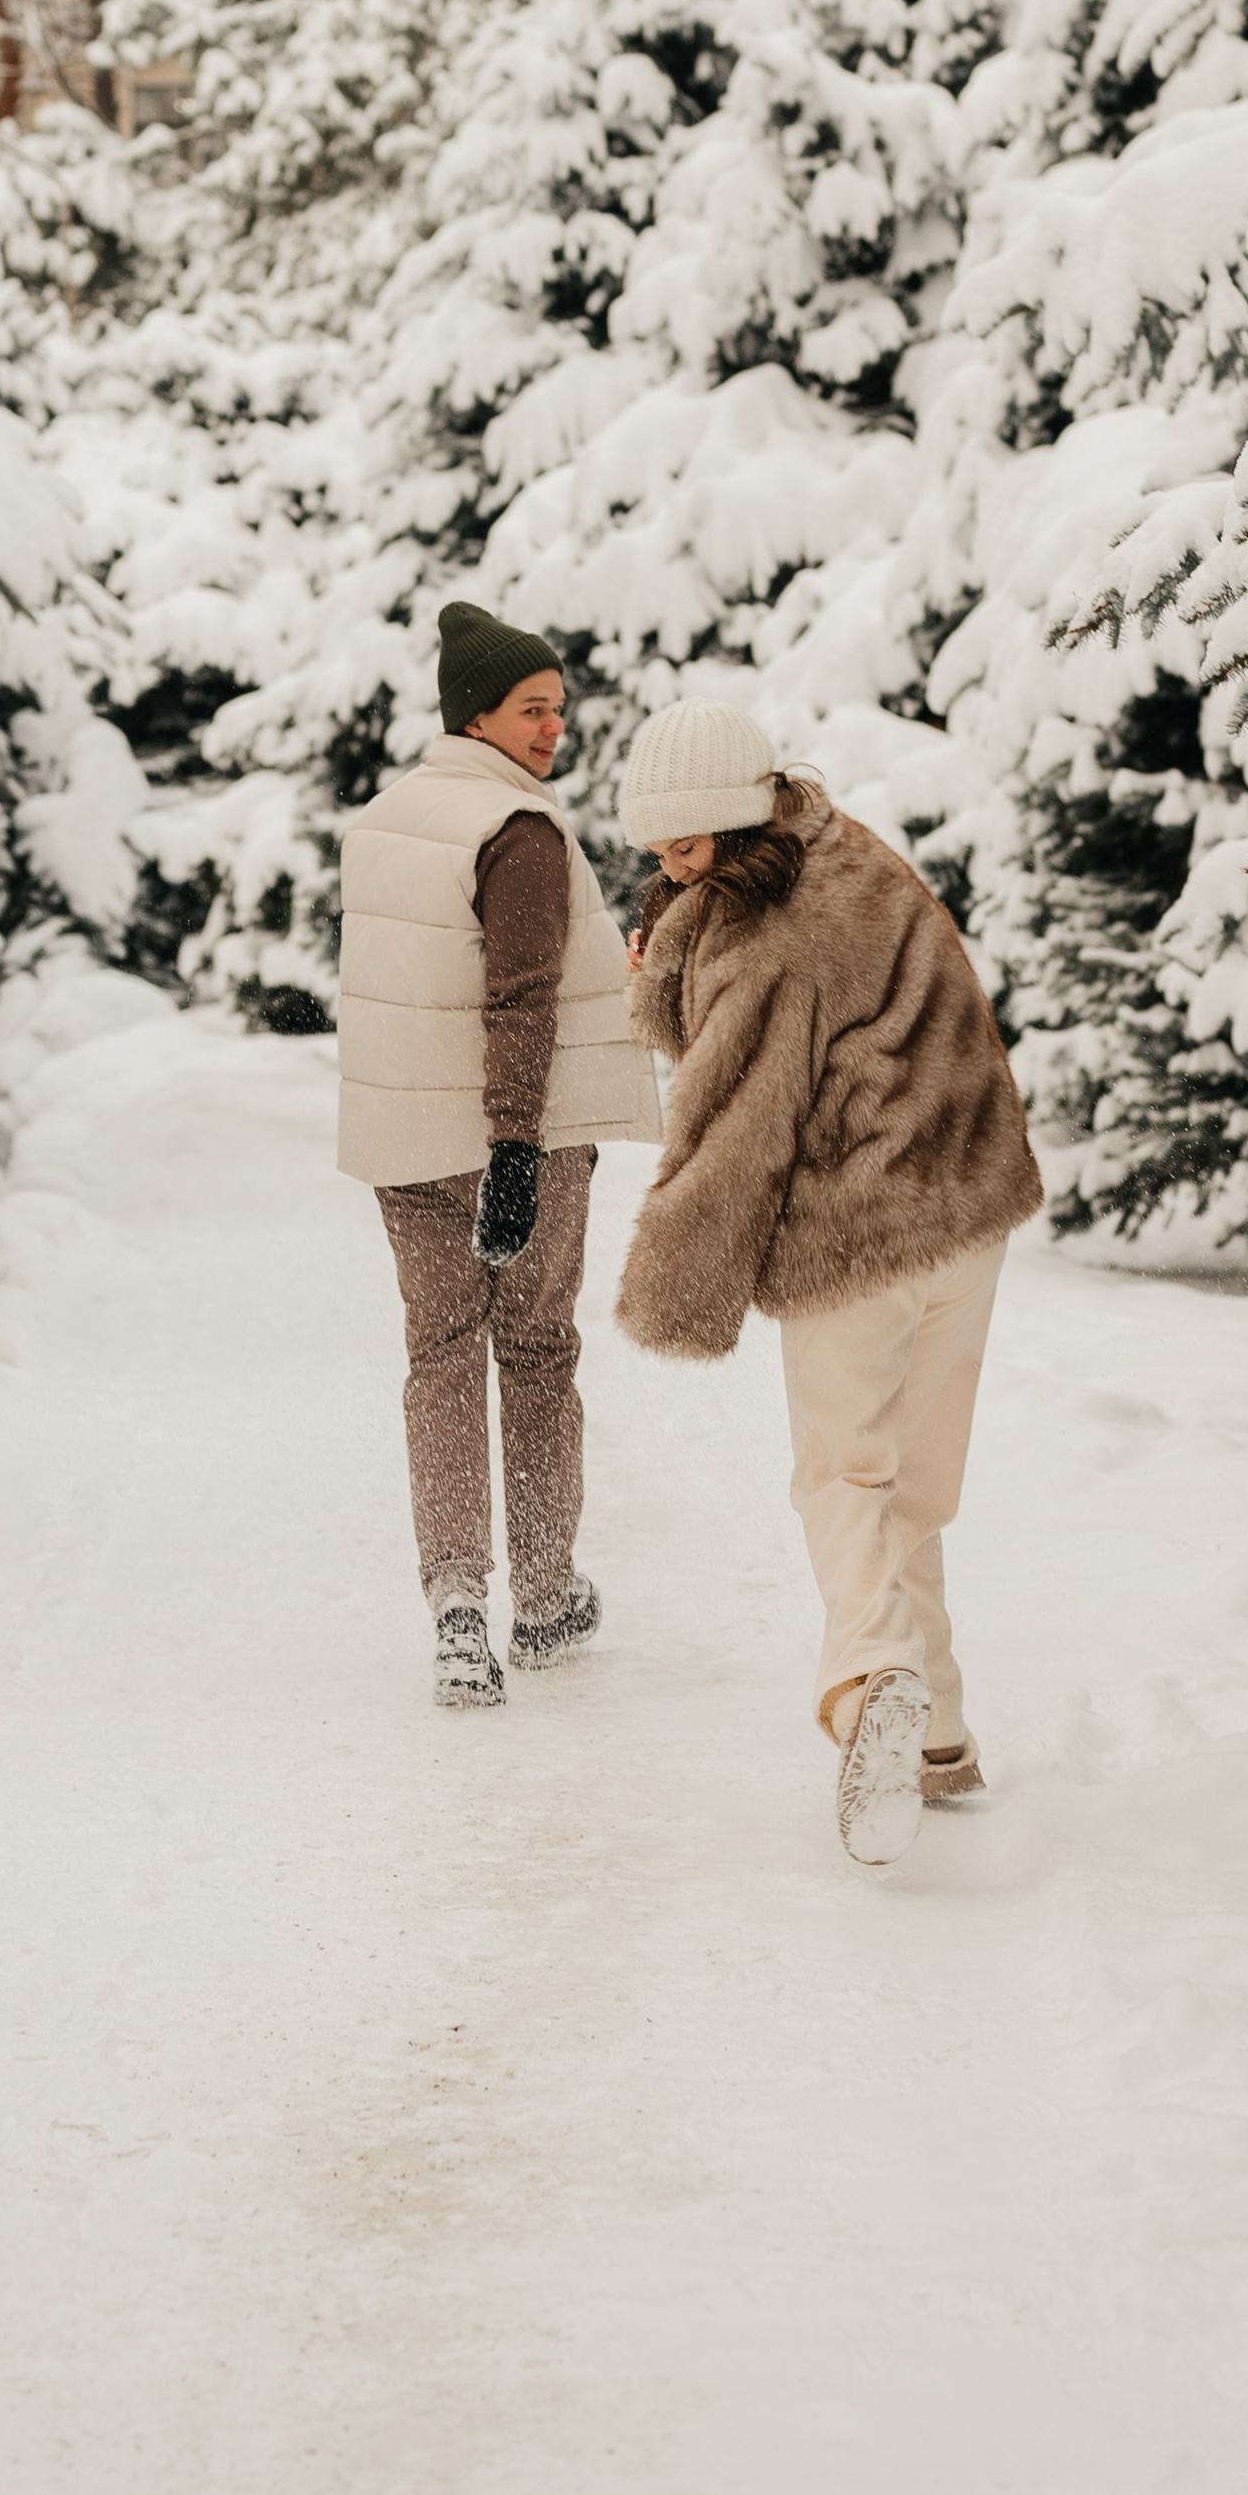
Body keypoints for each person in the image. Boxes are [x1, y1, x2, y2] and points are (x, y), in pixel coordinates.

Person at [611, 700, 1042, 1864]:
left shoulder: (759, 943)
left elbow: (733, 1127)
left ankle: (872, 1683)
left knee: (842, 1474)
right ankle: (938, 1731)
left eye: (682, 844)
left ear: (730, 817)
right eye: (654, 847)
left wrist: (675, 1286)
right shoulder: (851, 848)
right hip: (967, 1208)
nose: (665, 863)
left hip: (860, 1232)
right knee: (912, 1484)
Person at [335, 603, 662, 1709]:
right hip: (516, 1134)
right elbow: (517, 1001)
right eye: (532, 709)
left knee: (438, 1355)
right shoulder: (516, 832)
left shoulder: (385, 820)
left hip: (407, 1145)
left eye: (560, 710)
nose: (553, 729)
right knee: (531, 1350)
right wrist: (517, 1146)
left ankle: (456, 1607)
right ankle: (542, 1589)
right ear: (477, 711)